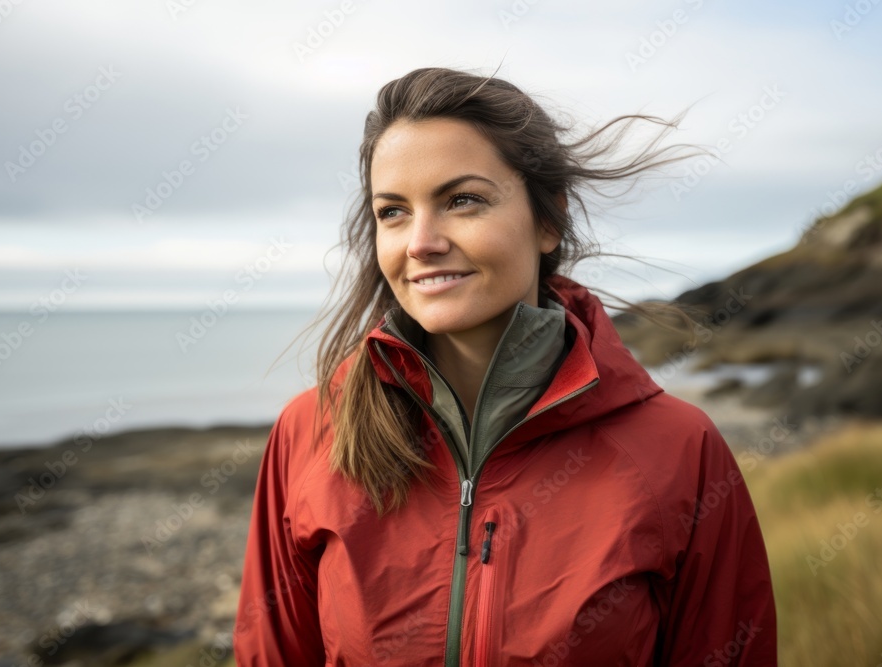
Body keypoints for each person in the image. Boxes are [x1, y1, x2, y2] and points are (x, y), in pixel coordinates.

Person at [233, 66, 777, 666]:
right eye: (393, 212)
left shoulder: (681, 450)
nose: (420, 241)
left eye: (462, 200)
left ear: (548, 220)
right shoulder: (308, 433)